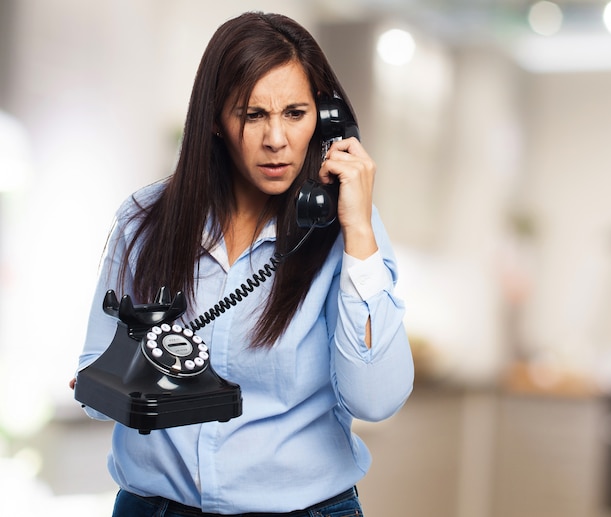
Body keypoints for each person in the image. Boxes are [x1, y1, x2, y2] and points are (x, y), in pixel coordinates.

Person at [71, 11, 414, 517]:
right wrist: (111, 384)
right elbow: (93, 379)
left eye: (295, 114)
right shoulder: (144, 223)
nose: (276, 139)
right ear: (214, 119)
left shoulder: (347, 229)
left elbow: (377, 400)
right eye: (253, 115)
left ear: (326, 117)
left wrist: (358, 231)